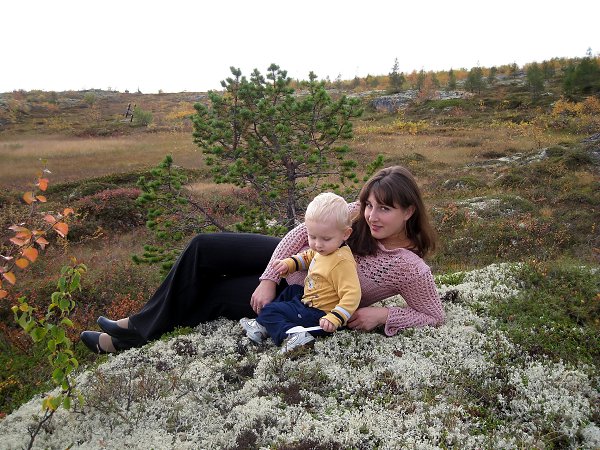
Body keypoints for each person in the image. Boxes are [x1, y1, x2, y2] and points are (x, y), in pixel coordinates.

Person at [80, 166, 444, 354]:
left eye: (385, 209)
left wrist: (383, 315)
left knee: (216, 295)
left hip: (305, 302)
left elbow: (433, 315)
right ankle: (134, 323)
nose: (372, 216)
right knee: (203, 247)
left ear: (409, 211)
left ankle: (123, 339)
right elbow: (303, 233)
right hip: (296, 265)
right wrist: (269, 277)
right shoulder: (354, 214)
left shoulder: (410, 267)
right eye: (370, 205)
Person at [240, 192, 361, 353]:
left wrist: (335, 318)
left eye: (326, 239)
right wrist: (288, 264)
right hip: (312, 302)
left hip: (321, 316)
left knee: (271, 310)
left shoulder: (342, 262)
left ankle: (294, 335)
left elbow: (352, 294)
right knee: (291, 290)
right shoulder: (327, 250)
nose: (318, 244)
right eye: (312, 237)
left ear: (346, 234)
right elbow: (308, 256)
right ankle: (263, 325)